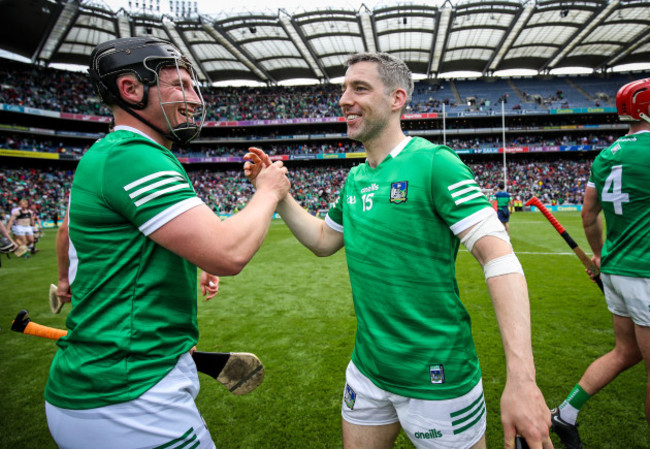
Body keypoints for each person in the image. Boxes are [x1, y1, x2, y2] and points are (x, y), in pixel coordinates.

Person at [244, 52, 551, 449]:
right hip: (369, 370)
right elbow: (323, 240)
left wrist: (522, 379)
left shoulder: (434, 164)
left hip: (437, 376)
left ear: (396, 98)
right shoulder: (355, 178)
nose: (343, 99)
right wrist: (281, 197)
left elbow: (500, 258)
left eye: (359, 88)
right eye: (343, 89)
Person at [45, 37, 290, 449]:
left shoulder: (114, 153)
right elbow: (229, 252)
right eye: (179, 85)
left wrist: (196, 257)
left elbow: (77, 232)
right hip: (128, 398)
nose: (193, 98)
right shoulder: (134, 155)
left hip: (111, 388)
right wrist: (269, 191)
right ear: (130, 89)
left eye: (193, 87)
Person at [550, 78, 650, 449]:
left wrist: (598, 254)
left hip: (619, 270)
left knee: (627, 352)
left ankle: (565, 414)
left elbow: (589, 215)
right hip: (645, 271)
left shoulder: (606, 155)